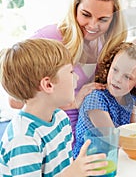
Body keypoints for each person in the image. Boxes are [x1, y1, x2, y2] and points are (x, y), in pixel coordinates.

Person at [9, 0, 128, 139]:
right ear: (74, 8)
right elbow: (15, 100)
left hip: (95, 140)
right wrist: (72, 103)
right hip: (56, 143)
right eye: (86, 15)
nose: (93, 25)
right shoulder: (47, 38)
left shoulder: (106, 44)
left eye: (103, 19)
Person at [0, 38, 108, 176]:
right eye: (70, 72)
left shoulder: (61, 119)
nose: (76, 77)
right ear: (48, 85)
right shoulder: (23, 139)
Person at [73, 42, 136, 158]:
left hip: (114, 157)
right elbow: (114, 140)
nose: (117, 79)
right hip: (89, 162)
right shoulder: (95, 100)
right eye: (115, 70)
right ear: (110, 66)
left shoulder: (129, 98)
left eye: (127, 77)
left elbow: (134, 130)